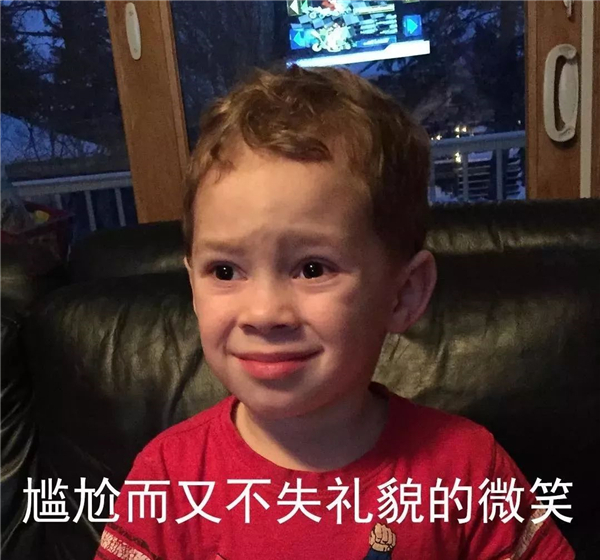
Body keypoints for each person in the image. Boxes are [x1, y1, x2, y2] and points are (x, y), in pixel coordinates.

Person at [94, 66, 574, 560]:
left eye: (312, 269)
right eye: (224, 271)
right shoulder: (168, 480)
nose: (264, 312)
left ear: (403, 294)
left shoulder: (468, 472)